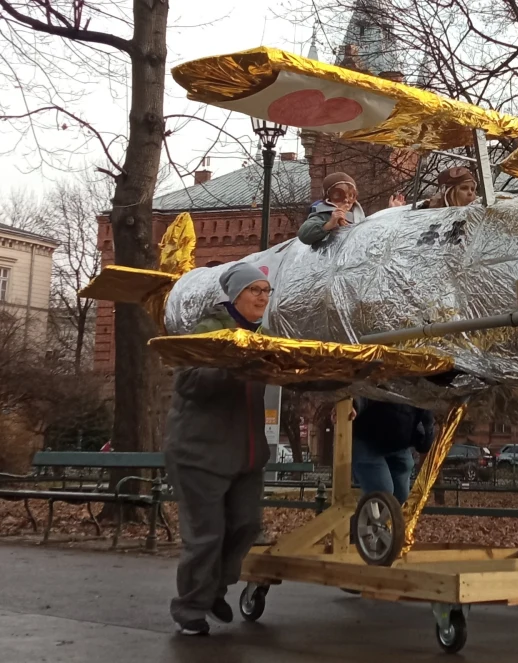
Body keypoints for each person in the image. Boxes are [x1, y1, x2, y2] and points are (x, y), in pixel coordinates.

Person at [164, 262, 273, 636]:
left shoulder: (265, 336)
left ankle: (214, 591)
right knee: (206, 535)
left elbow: (294, 372)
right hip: (200, 453)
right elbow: (189, 382)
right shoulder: (208, 330)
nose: (262, 297)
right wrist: (235, 364)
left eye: (265, 291)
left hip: (245, 455)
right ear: (235, 295)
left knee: (246, 524)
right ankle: (190, 608)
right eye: (254, 290)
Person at [343, 397, 435, 503]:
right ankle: (368, 514)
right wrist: (354, 405)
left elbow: (425, 412)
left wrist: (427, 437)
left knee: (400, 497)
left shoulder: (417, 389)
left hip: (399, 446)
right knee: (383, 493)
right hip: (367, 441)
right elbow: (365, 392)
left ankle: (380, 514)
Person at [298, 172, 366, 246]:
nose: (346, 200)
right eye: (339, 195)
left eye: (350, 195)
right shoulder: (324, 215)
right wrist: (329, 224)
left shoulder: (360, 218)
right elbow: (304, 235)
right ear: (328, 198)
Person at [412, 166, 479, 209]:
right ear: (448, 192)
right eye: (464, 188)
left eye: (472, 189)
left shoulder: (480, 213)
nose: (470, 193)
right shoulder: (427, 213)